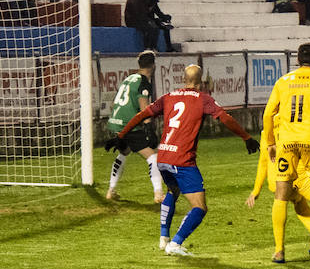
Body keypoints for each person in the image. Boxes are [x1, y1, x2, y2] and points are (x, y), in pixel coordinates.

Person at [116, 64, 260, 255]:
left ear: (184, 79)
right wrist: (246, 137)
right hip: (182, 160)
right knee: (199, 207)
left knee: (172, 191)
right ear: (201, 82)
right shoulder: (203, 99)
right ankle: (175, 244)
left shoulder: (168, 97)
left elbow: (142, 115)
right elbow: (225, 118)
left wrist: (121, 135)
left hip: (164, 156)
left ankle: (163, 238)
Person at [261, 42, 310, 262]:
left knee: (281, 193)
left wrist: (269, 142)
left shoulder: (283, 81)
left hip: (285, 141)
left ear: (297, 60)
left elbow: (268, 114)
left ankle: (278, 250)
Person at [102, 50, 165, 203]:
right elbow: (144, 107)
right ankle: (158, 193)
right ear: (153, 66)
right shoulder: (144, 82)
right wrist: (149, 128)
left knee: (124, 152)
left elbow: (114, 102)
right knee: (153, 157)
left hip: (117, 122)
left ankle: (111, 190)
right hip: (129, 125)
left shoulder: (129, 78)